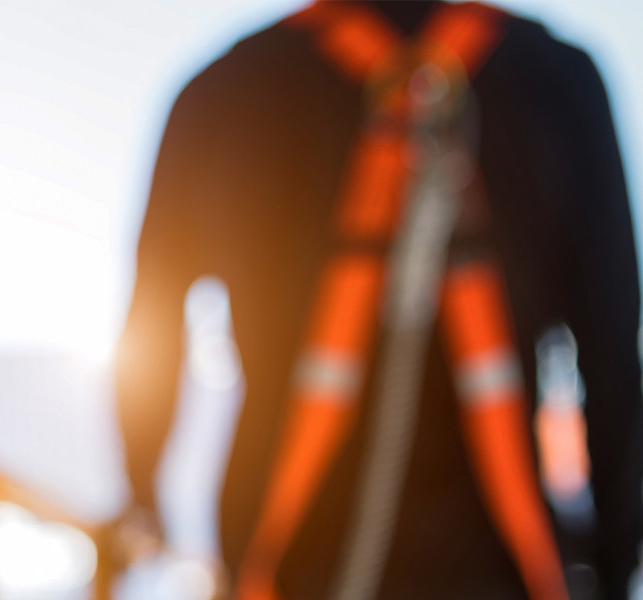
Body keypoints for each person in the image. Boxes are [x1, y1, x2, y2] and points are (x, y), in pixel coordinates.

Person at [113, 2, 643, 598]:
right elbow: (614, 354)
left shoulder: (220, 93)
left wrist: (141, 498)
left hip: (288, 564)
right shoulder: (559, 83)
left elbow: (148, 334)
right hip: (491, 572)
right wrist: (615, 562)